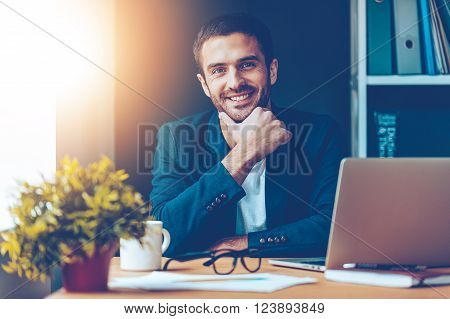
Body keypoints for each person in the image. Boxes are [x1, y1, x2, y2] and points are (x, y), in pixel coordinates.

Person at [150, 13, 344, 257]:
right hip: (206, 282)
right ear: (204, 85)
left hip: (295, 284)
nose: (235, 82)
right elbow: (162, 233)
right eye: (219, 70)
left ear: (272, 70)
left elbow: (334, 227)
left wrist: (245, 243)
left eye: (247, 65)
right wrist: (245, 155)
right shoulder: (176, 138)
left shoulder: (321, 134)